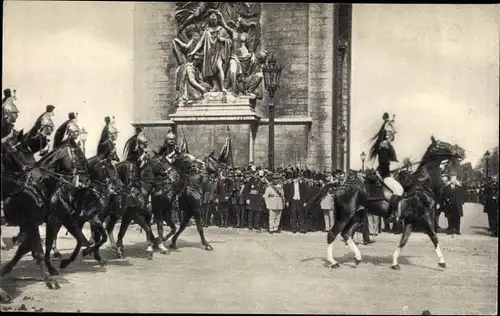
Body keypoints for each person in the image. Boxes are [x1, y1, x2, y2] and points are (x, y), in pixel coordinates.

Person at [368, 112, 404, 221]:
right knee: (399, 190)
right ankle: (391, 214)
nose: (393, 134)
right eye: (391, 133)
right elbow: (384, 163)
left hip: (388, 173)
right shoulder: (384, 145)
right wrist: (397, 166)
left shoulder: (387, 145)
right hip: (385, 174)